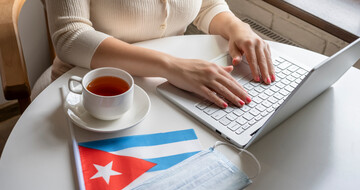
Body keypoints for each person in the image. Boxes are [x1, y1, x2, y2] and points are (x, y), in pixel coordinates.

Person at [45, 0, 275, 109]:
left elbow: (206, 5)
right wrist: (171, 66)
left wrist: (238, 28)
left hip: (168, 84)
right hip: (88, 90)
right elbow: (70, 36)